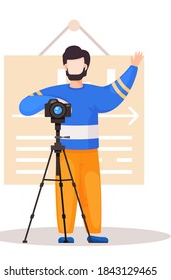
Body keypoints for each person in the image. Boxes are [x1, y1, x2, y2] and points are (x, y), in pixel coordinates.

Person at [19, 46, 143, 243]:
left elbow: (114, 94)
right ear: (65, 66)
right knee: (64, 190)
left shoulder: (94, 93)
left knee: (91, 190)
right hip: (65, 151)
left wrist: (133, 68)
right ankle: (65, 233)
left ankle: (93, 231)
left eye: (79, 63)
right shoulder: (55, 91)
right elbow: (24, 106)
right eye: (71, 63)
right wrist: (51, 100)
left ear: (86, 66)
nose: (75, 67)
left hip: (89, 151)